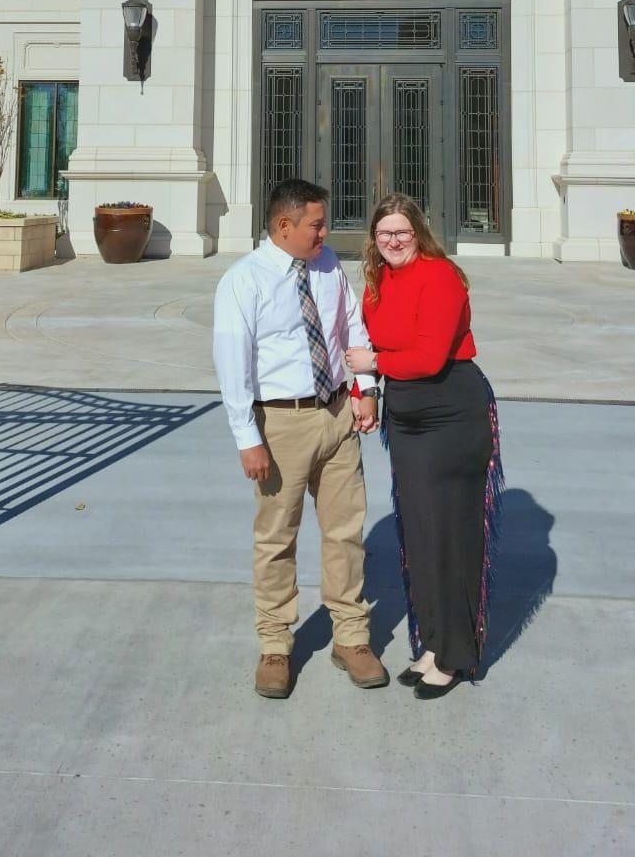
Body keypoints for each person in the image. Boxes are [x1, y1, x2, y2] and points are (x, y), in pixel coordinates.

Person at [212, 177, 388, 699]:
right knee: (276, 539)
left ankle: (351, 638)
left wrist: (367, 389)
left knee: (345, 532)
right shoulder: (244, 280)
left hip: (336, 415)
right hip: (279, 425)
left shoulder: (330, 265)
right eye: (316, 223)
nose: (325, 232)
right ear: (283, 225)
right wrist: (248, 437)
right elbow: (233, 363)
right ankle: (274, 645)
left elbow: (351, 330)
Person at [345, 194, 503, 699]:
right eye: (384, 233)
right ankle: (433, 644)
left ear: (419, 232)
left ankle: (457, 655)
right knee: (419, 536)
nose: (392, 241)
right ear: (374, 237)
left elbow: (431, 357)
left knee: (451, 535)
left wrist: (373, 364)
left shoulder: (440, 276)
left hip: (451, 411)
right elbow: (365, 353)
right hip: (407, 418)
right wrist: (365, 390)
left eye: (402, 232)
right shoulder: (374, 283)